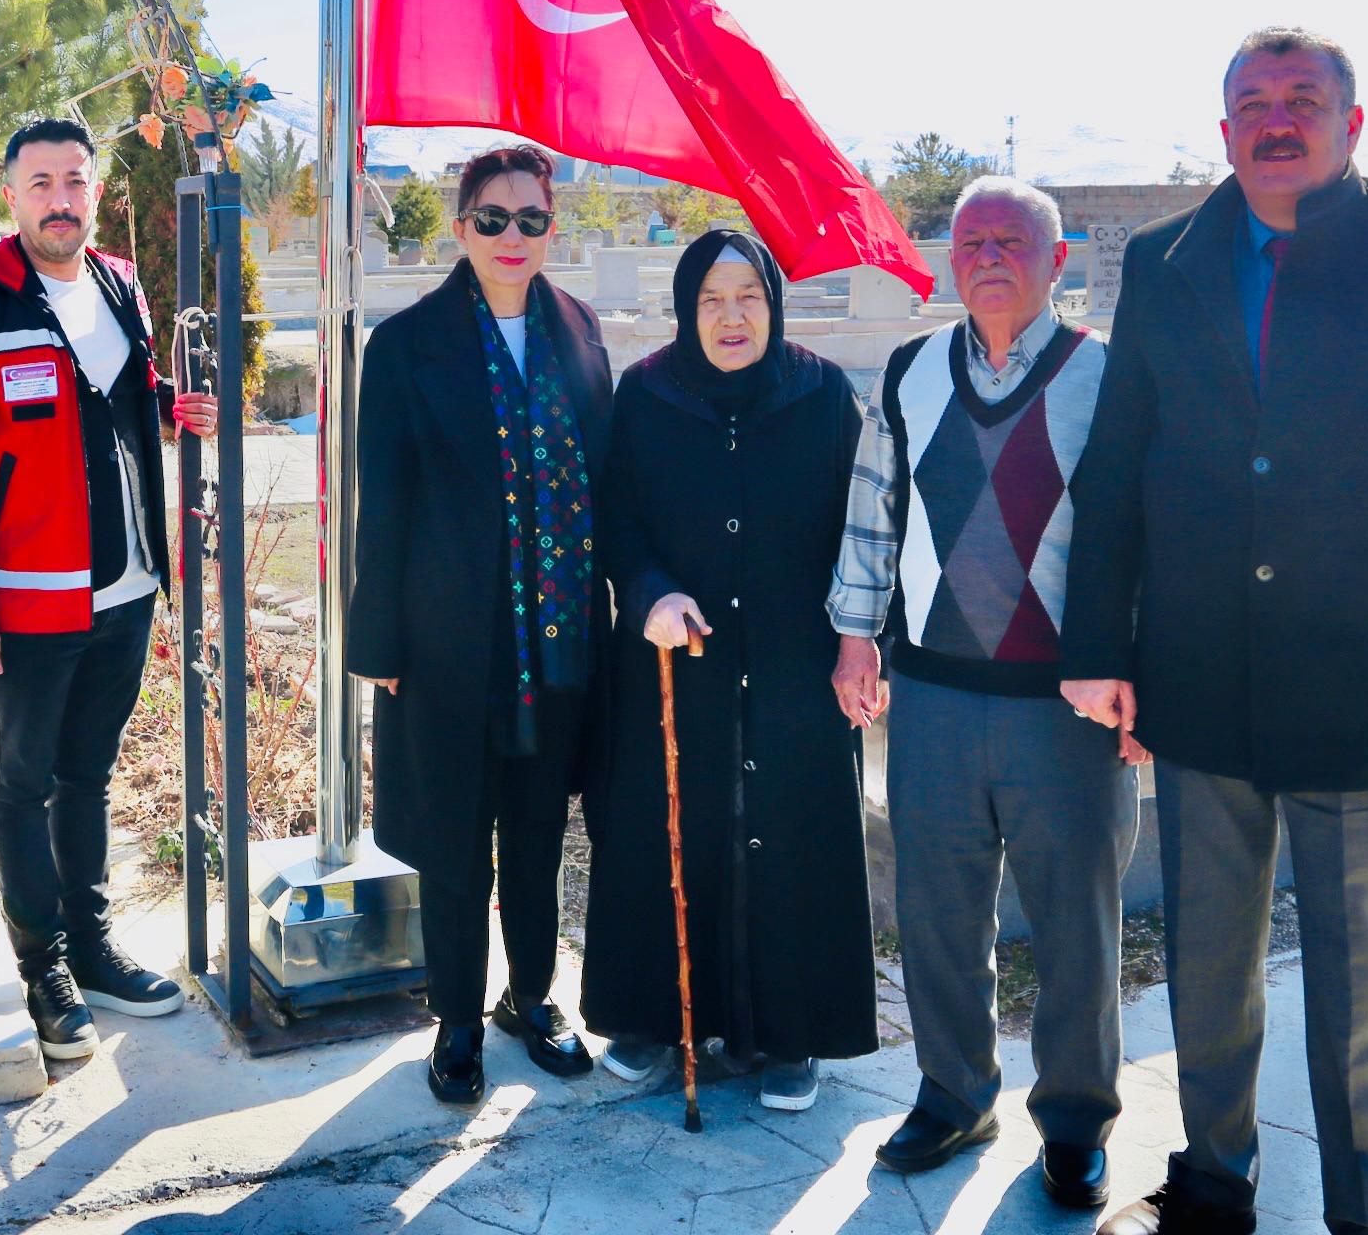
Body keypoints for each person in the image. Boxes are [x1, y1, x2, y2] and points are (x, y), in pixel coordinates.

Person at [1063, 29, 1368, 1235]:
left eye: (1302, 99)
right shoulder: (1167, 261)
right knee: (1208, 967)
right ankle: (1213, 1187)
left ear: (1352, 123)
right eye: (1253, 103)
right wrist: (1099, 649)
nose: (1278, 120)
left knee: (1363, 981)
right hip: (1202, 682)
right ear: (1223, 131)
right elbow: (1119, 464)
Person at [827, 176, 1144, 1210]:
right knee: (937, 914)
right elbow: (873, 511)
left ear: (1059, 262)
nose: (990, 257)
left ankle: (1075, 1123)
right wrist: (854, 637)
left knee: (1075, 924)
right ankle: (955, 1091)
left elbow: (1146, 539)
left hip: (1069, 708)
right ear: (948, 263)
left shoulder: (1107, 377)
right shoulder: (912, 371)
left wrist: (1150, 680)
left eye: (1014, 241)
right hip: (933, 696)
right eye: (970, 244)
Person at [0, 117, 217, 1063]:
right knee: (20, 784)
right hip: (28, 598)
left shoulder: (117, 281)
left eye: (76, 181)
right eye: (42, 181)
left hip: (126, 585)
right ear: (9, 195)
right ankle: (41, 965)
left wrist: (176, 402)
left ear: (94, 190)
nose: (61, 198)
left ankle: (91, 948)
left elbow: (117, 396)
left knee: (87, 773)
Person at [582, 230, 873, 1113]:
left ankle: (793, 1032)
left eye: (748, 295)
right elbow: (617, 522)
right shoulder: (646, 394)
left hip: (794, 665)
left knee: (791, 833)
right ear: (685, 308)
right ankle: (654, 1019)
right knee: (666, 827)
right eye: (711, 299)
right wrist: (651, 594)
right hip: (679, 661)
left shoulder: (821, 394)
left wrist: (861, 638)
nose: (731, 315)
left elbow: (866, 527)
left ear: (774, 304)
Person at [347, 144, 613, 1106]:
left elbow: (604, 481)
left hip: (559, 638)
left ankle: (530, 999)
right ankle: (457, 1019)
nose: (512, 236)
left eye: (531, 219)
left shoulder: (579, 332)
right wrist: (377, 644)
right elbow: (385, 504)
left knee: (539, 834)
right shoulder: (407, 345)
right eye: (492, 218)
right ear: (461, 228)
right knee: (458, 840)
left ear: (551, 227)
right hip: (448, 643)